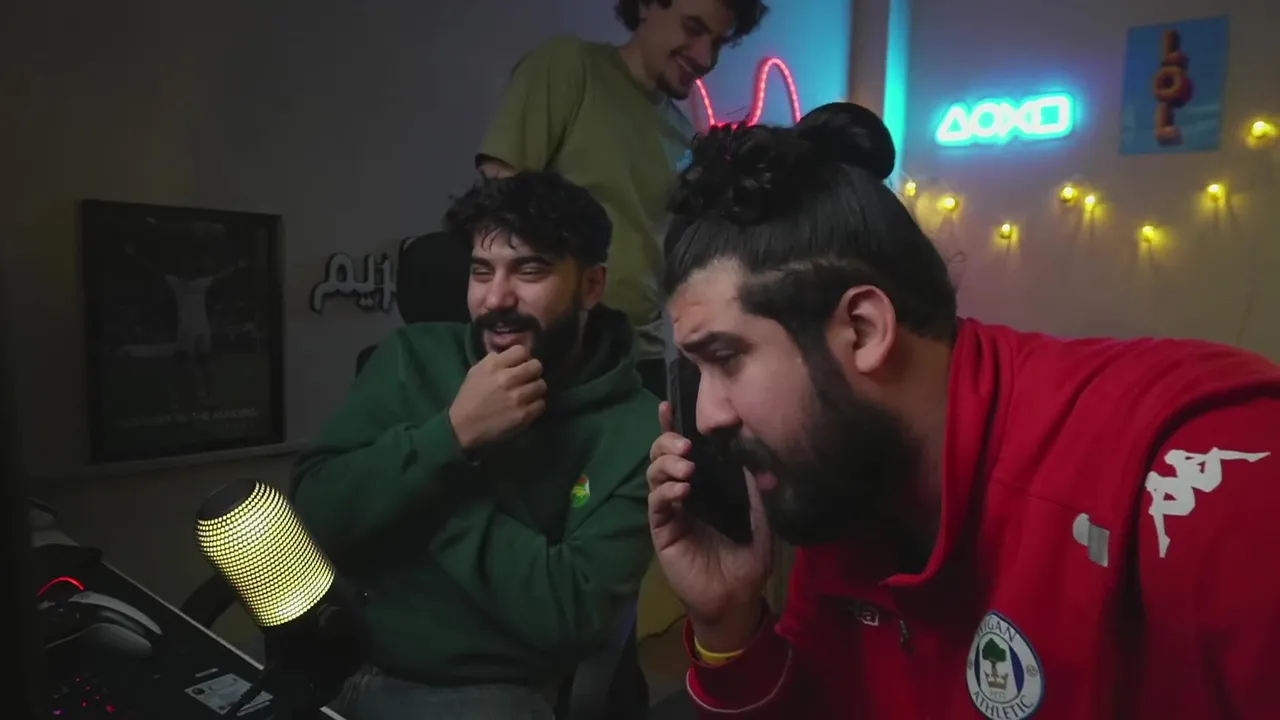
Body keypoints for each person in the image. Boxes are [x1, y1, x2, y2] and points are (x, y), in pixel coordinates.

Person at [644, 102, 1280, 719]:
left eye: (727, 357)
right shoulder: (850, 474)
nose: (708, 415)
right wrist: (727, 623)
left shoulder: (1202, 477)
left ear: (863, 330)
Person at [293, 171, 659, 720]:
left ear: (591, 285)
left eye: (530, 270)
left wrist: (425, 483)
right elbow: (313, 514)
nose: (495, 298)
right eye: (481, 271)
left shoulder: (638, 429)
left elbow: (570, 613)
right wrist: (452, 434)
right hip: (332, 657)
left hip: (479, 691)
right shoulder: (409, 357)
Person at [475, 0, 770, 398]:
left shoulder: (685, 137)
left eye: (717, 43)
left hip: (641, 357)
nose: (705, 57)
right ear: (646, 5)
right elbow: (500, 195)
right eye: (693, 28)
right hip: (559, 353)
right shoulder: (569, 66)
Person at [124, 245, 242, 406]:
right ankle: (176, 394)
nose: (188, 271)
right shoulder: (176, 282)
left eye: (191, 269)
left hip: (202, 329)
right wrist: (136, 255)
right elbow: (155, 270)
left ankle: (206, 396)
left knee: (204, 362)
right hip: (186, 330)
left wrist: (236, 267)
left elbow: (221, 276)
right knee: (182, 362)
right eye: (186, 269)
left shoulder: (201, 282)